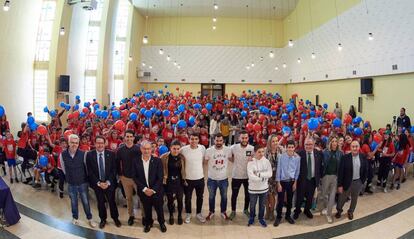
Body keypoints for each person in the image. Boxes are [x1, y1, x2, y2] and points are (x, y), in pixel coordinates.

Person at [59, 134, 97, 227]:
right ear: (68, 143)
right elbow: (63, 169)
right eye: (72, 142)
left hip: (82, 183)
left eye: (76, 143)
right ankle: (75, 217)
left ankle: (89, 218)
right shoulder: (62, 154)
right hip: (71, 183)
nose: (74, 144)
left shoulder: (83, 154)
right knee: (73, 202)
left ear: (78, 143)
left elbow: (87, 169)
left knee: (85, 201)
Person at [86, 135, 121, 229]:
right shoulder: (89, 155)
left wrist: (108, 182)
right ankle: (103, 219)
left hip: (109, 183)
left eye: (102, 143)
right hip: (97, 184)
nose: (100, 145)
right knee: (100, 202)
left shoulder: (111, 154)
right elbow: (90, 171)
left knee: (112, 201)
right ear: (95, 144)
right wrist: (98, 183)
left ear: (105, 143)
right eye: (98, 143)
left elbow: (114, 170)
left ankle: (115, 218)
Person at [133, 141, 166, 233]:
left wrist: (153, 190)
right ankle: (148, 223)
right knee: (146, 209)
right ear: (141, 149)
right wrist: (144, 189)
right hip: (143, 191)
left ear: (151, 149)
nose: (146, 151)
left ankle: (161, 223)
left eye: (148, 149)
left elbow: (160, 177)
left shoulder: (157, 161)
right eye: (144, 148)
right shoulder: (136, 161)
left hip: (156, 191)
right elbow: (134, 177)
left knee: (159, 208)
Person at [336, 141, 368, 220]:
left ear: (359, 147)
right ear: (350, 147)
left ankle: (350, 212)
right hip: (346, 182)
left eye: (356, 146)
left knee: (354, 199)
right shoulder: (345, 157)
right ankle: (339, 211)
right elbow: (340, 172)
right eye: (353, 146)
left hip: (357, 182)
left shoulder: (363, 157)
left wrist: (362, 182)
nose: (355, 148)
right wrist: (339, 185)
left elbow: (365, 170)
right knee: (342, 198)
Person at [116, 129, 141, 226]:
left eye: (131, 137)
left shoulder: (138, 149)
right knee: (128, 198)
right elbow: (117, 163)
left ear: (134, 138)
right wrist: (120, 175)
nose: (129, 138)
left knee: (141, 198)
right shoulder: (120, 150)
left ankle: (144, 216)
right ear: (124, 138)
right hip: (125, 178)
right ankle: (131, 215)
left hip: (137, 179)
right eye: (127, 136)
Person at [294, 138, 323, 220]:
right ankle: (297, 210)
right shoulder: (299, 153)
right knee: (299, 197)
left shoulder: (318, 153)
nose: (308, 146)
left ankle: (307, 210)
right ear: (304, 145)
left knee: (310, 197)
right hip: (302, 180)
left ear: (313, 145)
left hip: (313, 180)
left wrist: (319, 177)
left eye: (310, 144)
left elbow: (320, 166)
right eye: (306, 144)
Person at [180, 133, 206, 224]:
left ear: (198, 140)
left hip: (200, 178)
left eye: (196, 139)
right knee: (187, 198)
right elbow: (174, 155)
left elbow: (203, 161)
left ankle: (199, 213)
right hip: (188, 179)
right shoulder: (183, 150)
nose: (193, 141)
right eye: (192, 139)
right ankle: (188, 214)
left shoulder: (202, 148)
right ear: (189, 139)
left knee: (200, 197)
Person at [205, 133, 232, 220]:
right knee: (211, 197)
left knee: (224, 197)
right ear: (214, 140)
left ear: (223, 141)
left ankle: (223, 212)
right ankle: (211, 211)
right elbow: (204, 163)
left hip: (223, 179)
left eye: (220, 140)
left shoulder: (228, 150)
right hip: (211, 179)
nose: (219, 142)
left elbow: (233, 159)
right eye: (217, 140)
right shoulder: (208, 150)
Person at [274, 140, 300, 227]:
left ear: (294, 148)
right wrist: (278, 183)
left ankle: (288, 216)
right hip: (282, 181)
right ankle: (278, 216)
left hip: (291, 181)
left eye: (292, 147)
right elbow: (278, 170)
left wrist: (295, 183)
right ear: (286, 147)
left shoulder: (297, 158)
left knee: (290, 200)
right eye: (289, 147)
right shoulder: (281, 157)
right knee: (280, 200)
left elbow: (297, 171)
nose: (290, 149)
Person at [229, 130, 254, 220]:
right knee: (234, 195)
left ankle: (245, 210)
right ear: (239, 138)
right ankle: (233, 211)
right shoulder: (233, 148)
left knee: (248, 195)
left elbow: (253, 160)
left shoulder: (251, 148)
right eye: (242, 138)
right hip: (236, 175)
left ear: (248, 138)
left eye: (246, 138)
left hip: (248, 176)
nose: (244, 139)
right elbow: (229, 158)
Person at [161, 139, 186, 225]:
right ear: (170, 148)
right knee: (170, 200)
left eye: (178, 149)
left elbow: (184, 170)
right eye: (174, 148)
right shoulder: (164, 157)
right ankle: (171, 215)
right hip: (168, 182)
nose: (176, 151)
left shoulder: (182, 157)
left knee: (180, 200)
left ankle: (179, 215)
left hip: (179, 182)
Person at [247, 144, 272, 227]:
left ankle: (261, 218)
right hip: (253, 189)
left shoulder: (266, 161)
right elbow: (251, 176)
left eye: (262, 152)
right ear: (255, 152)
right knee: (252, 205)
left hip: (264, 188)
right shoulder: (250, 162)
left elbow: (270, 173)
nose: (261, 154)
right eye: (259, 152)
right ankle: (252, 217)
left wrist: (258, 174)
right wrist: (263, 178)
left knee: (262, 205)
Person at [319, 136, 342, 223]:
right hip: (326, 176)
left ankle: (329, 214)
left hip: (335, 177)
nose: (335, 143)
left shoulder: (340, 153)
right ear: (330, 142)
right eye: (333, 141)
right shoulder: (325, 152)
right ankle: (323, 208)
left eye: (336, 141)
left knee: (332, 197)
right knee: (323, 194)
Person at [264, 134, 280, 221]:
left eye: (276, 141)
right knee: (266, 195)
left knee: (273, 195)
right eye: (273, 141)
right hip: (266, 177)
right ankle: (267, 211)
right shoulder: (265, 151)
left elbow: (292, 153)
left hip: (276, 177)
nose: (275, 143)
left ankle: (272, 211)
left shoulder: (281, 150)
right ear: (269, 142)